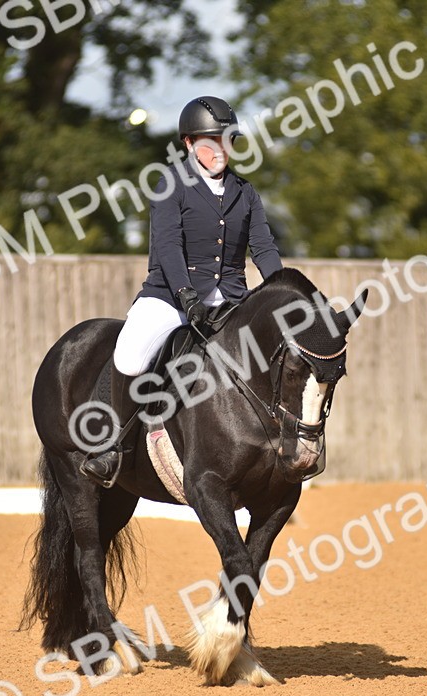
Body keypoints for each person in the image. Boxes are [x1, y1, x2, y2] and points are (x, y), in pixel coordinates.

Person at [81, 95, 285, 486]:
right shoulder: (171, 185)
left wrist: (282, 291)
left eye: (228, 140)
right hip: (171, 298)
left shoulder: (246, 192)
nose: (221, 149)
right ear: (190, 144)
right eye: (211, 141)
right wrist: (186, 295)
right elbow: (169, 247)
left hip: (233, 299)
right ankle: (112, 449)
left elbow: (264, 247)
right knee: (130, 353)